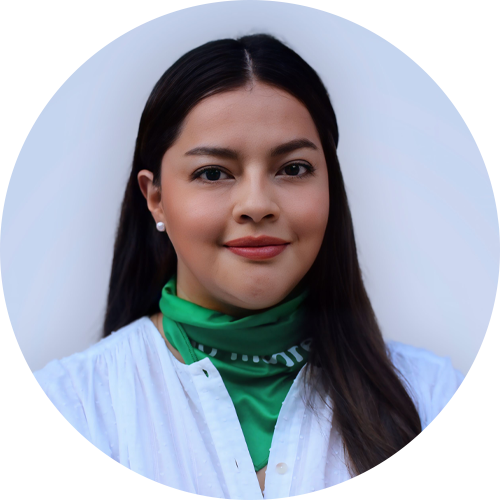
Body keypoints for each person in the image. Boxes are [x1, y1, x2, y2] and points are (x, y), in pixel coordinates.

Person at [31, 33, 464, 499]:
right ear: (155, 198)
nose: (257, 205)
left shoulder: (434, 401)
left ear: (330, 188)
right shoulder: (67, 409)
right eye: (213, 173)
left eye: (293, 168)